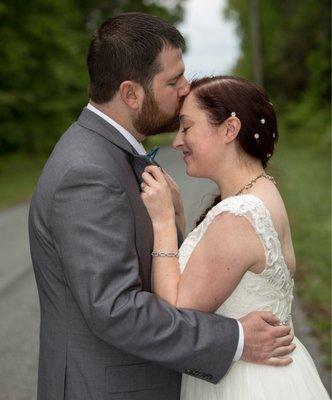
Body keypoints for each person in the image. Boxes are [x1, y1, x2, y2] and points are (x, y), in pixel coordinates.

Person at [29, 13, 294, 400]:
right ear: (131, 94)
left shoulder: (110, 154)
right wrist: (235, 338)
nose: (186, 89)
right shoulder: (86, 172)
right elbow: (115, 309)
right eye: (173, 81)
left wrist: (176, 225)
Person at [140, 75, 330, 399]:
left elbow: (177, 309)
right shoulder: (256, 193)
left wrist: (161, 224)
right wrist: (180, 220)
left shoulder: (239, 216)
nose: (176, 142)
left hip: (245, 384)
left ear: (230, 129)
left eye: (187, 127)